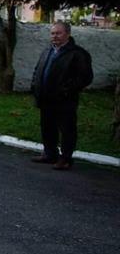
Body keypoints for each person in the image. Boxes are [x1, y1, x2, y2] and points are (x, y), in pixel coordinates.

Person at [30, 21, 93, 171]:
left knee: (67, 129)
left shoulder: (77, 53)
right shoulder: (48, 51)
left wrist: (66, 90)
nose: (55, 36)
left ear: (67, 34)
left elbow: (85, 77)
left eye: (58, 33)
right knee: (47, 127)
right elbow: (38, 69)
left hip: (65, 100)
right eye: (52, 33)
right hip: (46, 97)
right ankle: (50, 154)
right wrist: (34, 85)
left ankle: (65, 159)